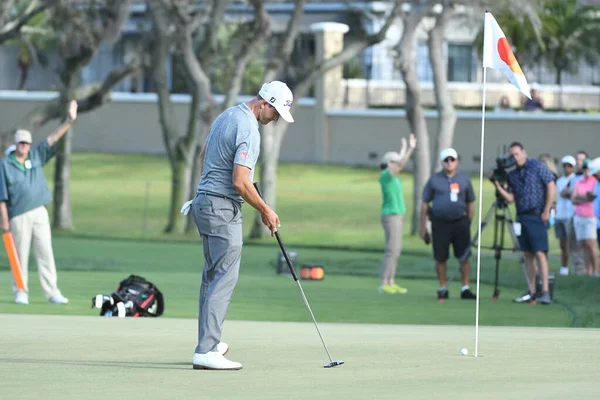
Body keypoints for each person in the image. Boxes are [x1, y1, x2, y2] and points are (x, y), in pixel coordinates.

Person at [185, 81, 294, 371]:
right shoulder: (248, 128)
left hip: (204, 204)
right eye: (275, 114)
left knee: (211, 277)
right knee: (223, 279)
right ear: (265, 104)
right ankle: (207, 350)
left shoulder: (226, 116)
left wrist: (202, 190)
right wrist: (266, 210)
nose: (274, 121)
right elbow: (240, 181)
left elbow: (203, 155)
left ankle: (208, 342)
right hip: (222, 209)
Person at [0, 100, 78, 305]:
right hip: (18, 215)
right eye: (21, 143)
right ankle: (20, 292)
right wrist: (4, 221)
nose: (25, 146)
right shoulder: (5, 165)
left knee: (45, 252)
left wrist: (69, 121)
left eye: (27, 143)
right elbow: (2, 196)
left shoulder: (35, 156)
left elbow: (52, 138)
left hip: (39, 212)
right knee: (20, 256)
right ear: (16, 144)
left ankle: (52, 292)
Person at [494, 142, 556, 305]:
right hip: (521, 216)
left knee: (540, 253)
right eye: (512, 155)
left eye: (517, 154)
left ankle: (545, 291)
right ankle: (532, 290)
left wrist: (547, 209)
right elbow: (511, 198)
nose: (515, 157)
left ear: (523, 152)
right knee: (527, 254)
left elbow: (550, 184)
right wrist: (498, 186)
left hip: (537, 214)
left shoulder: (536, 165)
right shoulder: (513, 175)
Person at [420, 148, 477, 302]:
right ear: (442, 162)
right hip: (440, 222)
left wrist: (468, 220)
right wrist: (423, 226)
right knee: (440, 257)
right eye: (446, 160)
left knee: (464, 256)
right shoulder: (434, 180)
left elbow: (470, 201)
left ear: (457, 161)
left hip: (460, 222)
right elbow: (425, 203)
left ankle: (465, 288)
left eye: (452, 160)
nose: (449, 163)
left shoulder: (464, 180)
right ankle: (443, 287)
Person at [377, 133, 416, 294]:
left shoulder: (394, 177)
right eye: (393, 161)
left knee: (396, 250)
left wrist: (404, 148)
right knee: (391, 250)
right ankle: (384, 282)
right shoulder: (385, 176)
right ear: (388, 164)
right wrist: (410, 149)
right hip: (390, 216)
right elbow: (401, 163)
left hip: (398, 216)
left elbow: (399, 162)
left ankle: (391, 281)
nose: (397, 163)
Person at [570, 158, 598, 276]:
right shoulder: (579, 182)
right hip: (578, 216)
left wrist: (581, 198)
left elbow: (592, 197)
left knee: (591, 244)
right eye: (585, 168)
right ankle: (588, 270)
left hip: (590, 216)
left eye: (588, 169)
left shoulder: (595, 181)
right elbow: (573, 199)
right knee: (583, 245)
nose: (586, 171)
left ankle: (596, 271)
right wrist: (584, 198)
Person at [555, 155, 576, 276]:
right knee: (562, 244)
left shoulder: (575, 180)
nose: (567, 168)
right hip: (560, 215)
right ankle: (564, 268)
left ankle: (575, 267)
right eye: (565, 165)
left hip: (570, 215)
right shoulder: (560, 181)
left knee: (570, 244)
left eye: (569, 166)